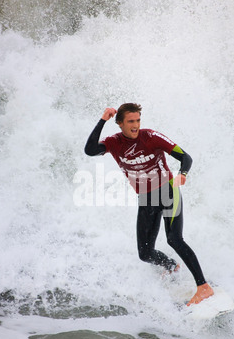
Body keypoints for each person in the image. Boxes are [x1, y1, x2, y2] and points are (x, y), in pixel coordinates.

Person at [84, 103, 214, 305]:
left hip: (168, 190)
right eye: (130, 121)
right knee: (145, 253)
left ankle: (203, 287)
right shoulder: (114, 142)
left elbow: (185, 157)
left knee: (174, 239)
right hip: (146, 198)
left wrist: (182, 175)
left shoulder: (152, 137)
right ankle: (172, 267)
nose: (135, 125)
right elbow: (90, 150)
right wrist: (103, 119)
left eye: (137, 120)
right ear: (119, 124)